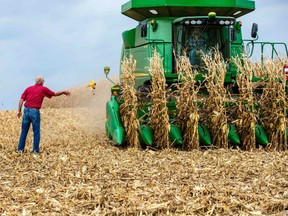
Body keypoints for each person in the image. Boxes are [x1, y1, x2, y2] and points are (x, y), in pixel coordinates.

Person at [17, 76, 71, 153]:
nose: (44, 82)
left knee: (24, 131)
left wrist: (19, 111)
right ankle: (35, 151)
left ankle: (20, 150)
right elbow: (54, 94)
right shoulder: (43, 89)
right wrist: (63, 92)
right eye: (44, 81)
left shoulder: (28, 88)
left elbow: (21, 100)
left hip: (26, 110)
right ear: (41, 82)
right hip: (34, 111)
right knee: (36, 132)